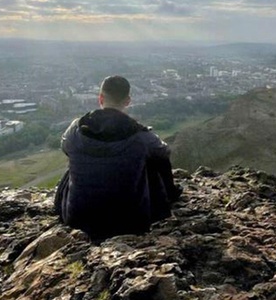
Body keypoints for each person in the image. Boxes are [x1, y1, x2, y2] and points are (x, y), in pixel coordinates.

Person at [54, 75, 181, 240]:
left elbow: (66, 148)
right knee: (153, 161)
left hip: (78, 218)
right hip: (130, 222)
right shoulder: (140, 135)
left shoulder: (76, 129)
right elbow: (163, 153)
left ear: (100, 98)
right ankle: (167, 200)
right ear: (128, 101)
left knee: (74, 164)